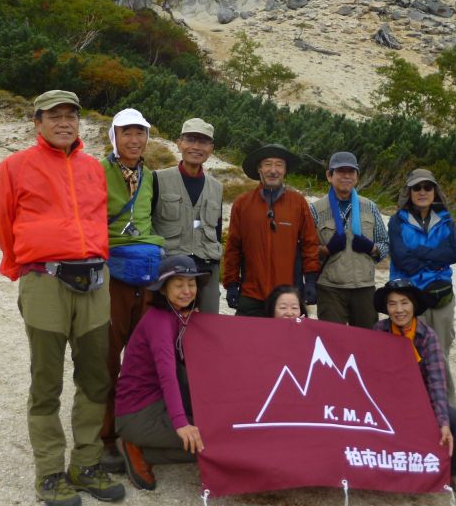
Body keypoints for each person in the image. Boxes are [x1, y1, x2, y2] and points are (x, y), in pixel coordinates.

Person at [0, 89, 125, 506]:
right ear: (38, 122)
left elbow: (100, 220)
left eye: (71, 115)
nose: (64, 122)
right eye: (55, 116)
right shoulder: (14, 166)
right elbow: (2, 222)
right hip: (45, 281)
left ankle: (85, 464)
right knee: (46, 381)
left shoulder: (92, 168)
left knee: (94, 377)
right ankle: (49, 472)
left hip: (94, 283)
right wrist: (25, 269)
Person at [99, 108, 167, 473]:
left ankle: (136, 432)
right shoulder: (98, 171)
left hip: (147, 274)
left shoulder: (150, 177)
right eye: (127, 132)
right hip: (111, 273)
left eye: (140, 133)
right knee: (108, 357)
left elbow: (150, 218)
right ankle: (105, 437)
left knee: (142, 358)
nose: (134, 140)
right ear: (114, 135)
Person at [373, 280, 456, 496]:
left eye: (404, 303)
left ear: (414, 305)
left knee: (455, 420)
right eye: (392, 304)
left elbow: (437, 383)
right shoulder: (378, 331)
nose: (399, 310)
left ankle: (455, 472)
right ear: (386, 308)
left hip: (419, 401)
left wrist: (442, 421)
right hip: (385, 400)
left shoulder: (428, 336)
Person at [115, 255, 208, 491]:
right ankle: (138, 448)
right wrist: (181, 424)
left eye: (191, 283)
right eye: (179, 284)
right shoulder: (158, 322)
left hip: (159, 403)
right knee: (208, 442)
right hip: (139, 413)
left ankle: (146, 447)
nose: (187, 290)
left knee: (210, 431)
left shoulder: (175, 315)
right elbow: (167, 375)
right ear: (164, 290)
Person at [221, 143, 321, 317]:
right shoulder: (242, 204)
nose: (273, 170)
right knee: (245, 343)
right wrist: (231, 284)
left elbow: (310, 244)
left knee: (286, 344)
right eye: (267, 164)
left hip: (287, 298)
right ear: (259, 169)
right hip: (251, 294)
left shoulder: (298, 203)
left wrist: (311, 281)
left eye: (279, 165)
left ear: (285, 170)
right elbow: (233, 248)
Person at [387, 168, 456, 395]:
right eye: (416, 188)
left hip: (441, 298)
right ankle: (412, 402)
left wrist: (418, 251)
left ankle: (447, 408)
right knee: (408, 352)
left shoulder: (446, 219)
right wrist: (433, 255)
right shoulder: (396, 221)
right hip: (409, 298)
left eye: (427, 187)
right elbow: (402, 259)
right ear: (408, 192)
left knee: (440, 354)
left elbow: (454, 253)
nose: (422, 192)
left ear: (435, 191)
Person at [308, 151, 389, 328]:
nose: (346, 176)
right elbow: (306, 250)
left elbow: (385, 243)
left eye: (351, 171)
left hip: (364, 288)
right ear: (330, 175)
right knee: (331, 343)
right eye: (340, 171)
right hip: (330, 289)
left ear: (357, 177)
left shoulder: (370, 207)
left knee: (366, 343)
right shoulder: (315, 210)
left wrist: (372, 248)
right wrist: (325, 250)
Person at [152, 117, 223, 314]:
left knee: (208, 329)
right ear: (179, 143)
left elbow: (216, 231)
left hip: (207, 269)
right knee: (166, 326)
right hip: (170, 268)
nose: (196, 147)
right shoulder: (158, 179)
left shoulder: (217, 187)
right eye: (191, 140)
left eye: (203, 142)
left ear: (211, 148)